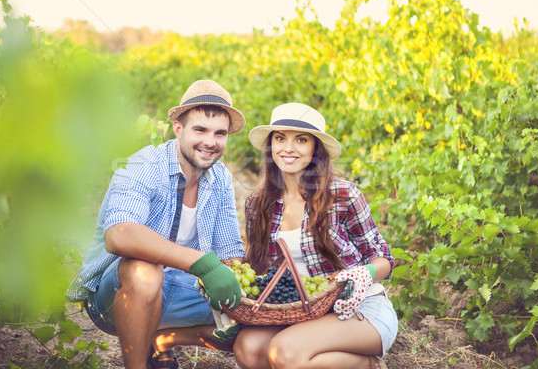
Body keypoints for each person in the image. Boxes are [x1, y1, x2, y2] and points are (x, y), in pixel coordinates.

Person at [66, 80, 247, 369]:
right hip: (115, 299)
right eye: (200, 130)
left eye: (220, 133)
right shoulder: (143, 165)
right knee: (144, 271)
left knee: (253, 319)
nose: (210, 142)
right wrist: (202, 263)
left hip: (181, 290)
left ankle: (162, 340)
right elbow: (119, 235)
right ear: (178, 128)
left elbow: (229, 251)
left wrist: (240, 285)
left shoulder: (221, 178)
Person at [233, 102, 398, 369]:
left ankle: (366, 365)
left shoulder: (342, 195)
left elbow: (384, 259)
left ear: (315, 148)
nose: (288, 148)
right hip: (302, 312)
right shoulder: (257, 204)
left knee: (284, 352)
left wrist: (364, 273)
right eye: (280, 138)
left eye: (301, 140)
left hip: (355, 309)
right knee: (248, 348)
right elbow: (261, 271)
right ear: (271, 146)